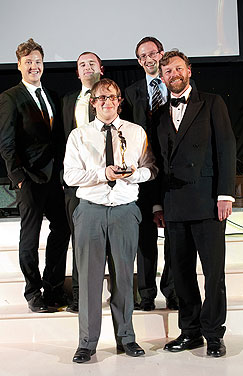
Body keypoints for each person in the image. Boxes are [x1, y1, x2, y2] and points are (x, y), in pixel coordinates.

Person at [64, 78, 158, 363]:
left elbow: (150, 169)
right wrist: (102, 173)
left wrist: (132, 173)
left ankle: (126, 338)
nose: (107, 102)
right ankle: (87, 343)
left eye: (112, 97)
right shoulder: (79, 136)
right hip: (90, 210)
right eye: (101, 98)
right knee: (90, 279)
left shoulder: (136, 132)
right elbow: (69, 176)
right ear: (93, 103)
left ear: (120, 101)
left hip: (124, 210)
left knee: (123, 279)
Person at [157, 50, 236, 357]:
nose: (173, 74)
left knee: (214, 272)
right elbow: (159, 163)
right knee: (181, 273)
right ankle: (190, 333)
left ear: (189, 71)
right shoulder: (160, 113)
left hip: (208, 202)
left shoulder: (212, 102)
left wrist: (225, 194)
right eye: (167, 71)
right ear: (162, 78)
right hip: (174, 204)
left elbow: (226, 148)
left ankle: (214, 334)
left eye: (178, 68)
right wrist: (156, 206)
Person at [0, 38, 70, 313]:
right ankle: (33, 292)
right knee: (29, 237)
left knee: (62, 229)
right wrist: (18, 177)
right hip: (28, 178)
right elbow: (6, 143)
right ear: (19, 65)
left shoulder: (52, 95)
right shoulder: (10, 98)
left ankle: (53, 287)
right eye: (28, 62)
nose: (34, 66)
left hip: (55, 178)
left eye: (38, 61)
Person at [123, 37, 178, 311]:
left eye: (152, 53)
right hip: (143, 171)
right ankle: (146, 294)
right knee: (145, 237)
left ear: (161, 54)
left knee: (174, 236)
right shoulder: (131, 92)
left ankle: (171, 289)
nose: (148, 59)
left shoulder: (176, 86)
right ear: (138, 61)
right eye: (142, 56)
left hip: (172, 171)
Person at [62, 51, 103, 313]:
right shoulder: (68, 101)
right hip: (77, 184)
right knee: (80, 242)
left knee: (111, 243)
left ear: (101, 67)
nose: (87, 67)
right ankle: (80, 297)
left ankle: (123, 294)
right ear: (77, 72)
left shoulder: (113, 98)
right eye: (82, 64)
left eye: (92, 63)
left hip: (109, 181)